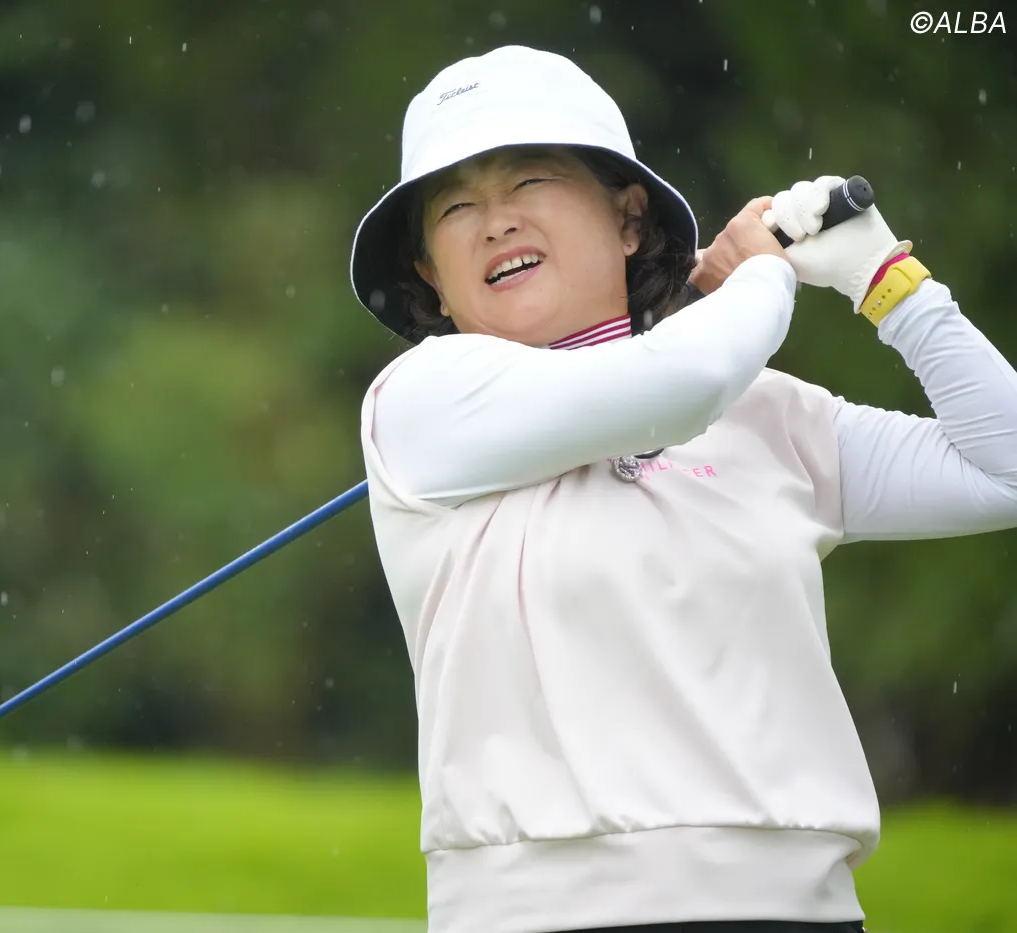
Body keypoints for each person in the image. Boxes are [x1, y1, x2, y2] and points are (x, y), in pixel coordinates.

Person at [349, 45, 1017, 933]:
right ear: (430, 272)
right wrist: (766, 273)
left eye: (529, 180)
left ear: (629, 219)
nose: (496, 222)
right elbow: (679, 383)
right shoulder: (421, 402)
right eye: (456, 206)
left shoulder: (765, 412)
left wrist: (885, 280)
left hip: (799, 914)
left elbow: (1003, 469)